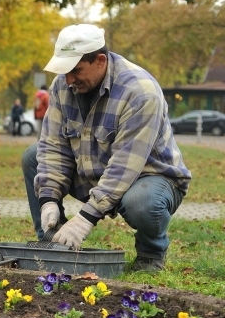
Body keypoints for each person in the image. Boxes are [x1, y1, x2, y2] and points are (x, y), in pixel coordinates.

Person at [21, 23, 191, 273]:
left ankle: (151, 253)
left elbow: (124, 166)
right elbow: (53, 146)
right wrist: (48, 199)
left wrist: (84, 220)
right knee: (33, 156)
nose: (68, 79)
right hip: (94, 169)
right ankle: (52, 240)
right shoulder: (62, 85)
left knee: (142, 201)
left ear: (100, 60)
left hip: (148, 177)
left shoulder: (141, 92)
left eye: (76, 70)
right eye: (64, 71)